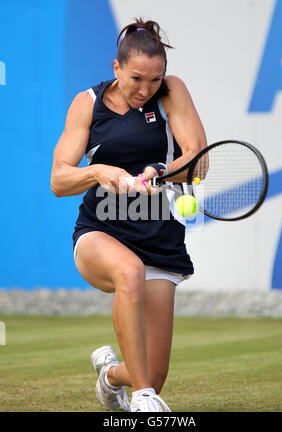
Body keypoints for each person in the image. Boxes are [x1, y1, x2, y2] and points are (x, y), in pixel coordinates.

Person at [51, 18, 207, 412]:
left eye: (155, 80)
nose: (145, 89)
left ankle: (113, 376)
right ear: (116, 68)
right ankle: (140, 399)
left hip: (159, 237)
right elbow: (59, 179)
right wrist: (98, 171)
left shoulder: (171, 92)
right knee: (129, 271)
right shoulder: (87, 103)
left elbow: (198, 160)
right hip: (100, 230)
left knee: (151, 373)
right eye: (137, 78)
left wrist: (161, 171)